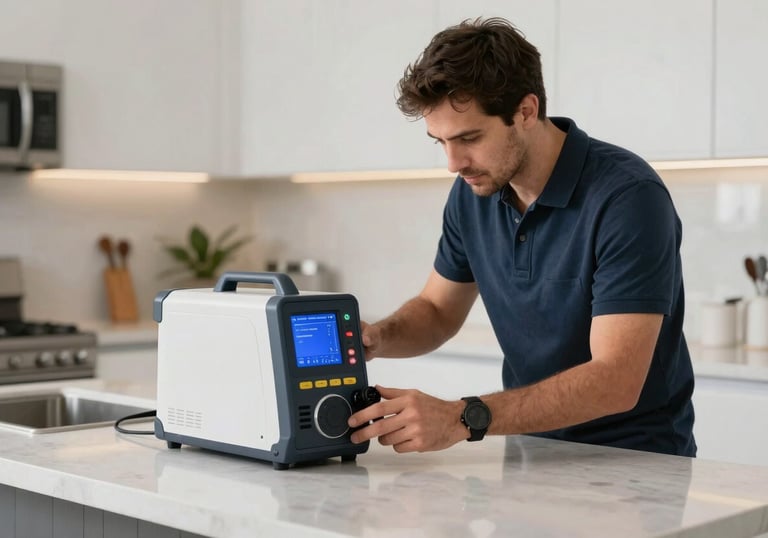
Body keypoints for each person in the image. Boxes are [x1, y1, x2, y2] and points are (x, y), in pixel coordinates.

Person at [347, 17, 696, 457]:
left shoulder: (626, 197)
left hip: (638, 464)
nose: (453, 163)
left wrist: (460, 418)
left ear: (526, 111)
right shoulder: (472, 192)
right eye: (439, 142)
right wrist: (378, 337)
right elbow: (437, 310)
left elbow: (615, 380)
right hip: (530, 455)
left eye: (469, 137)